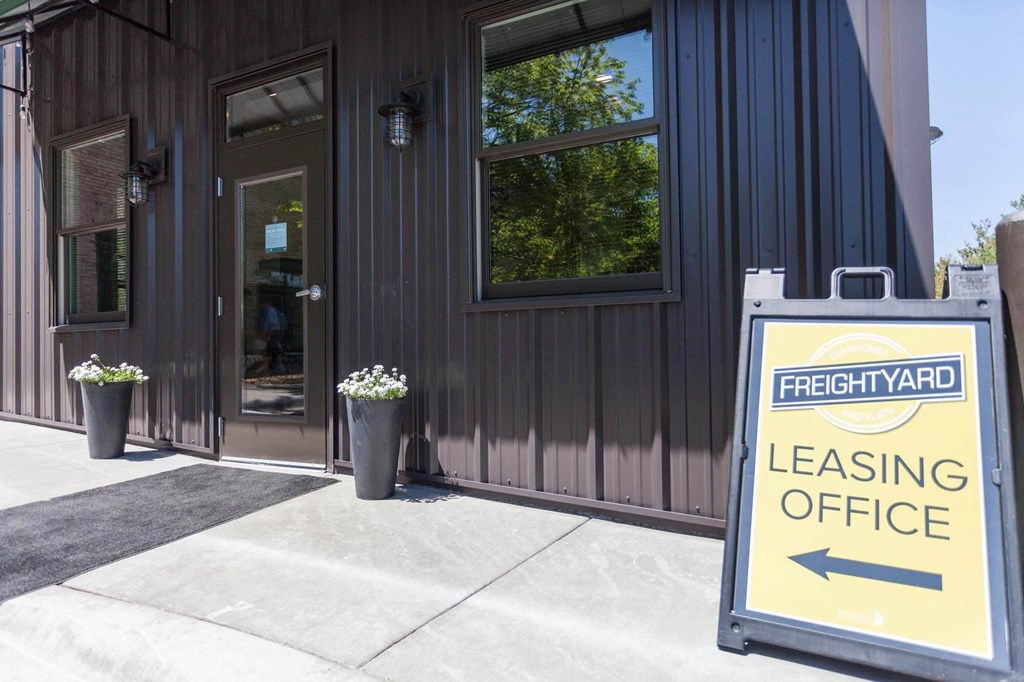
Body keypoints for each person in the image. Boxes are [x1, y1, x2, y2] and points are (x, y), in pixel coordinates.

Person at [258, 301, 287, 374]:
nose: (261, 307)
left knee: (273, 350)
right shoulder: (270, 311)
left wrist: (268, 337)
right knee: (273, 350)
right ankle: (274, 367)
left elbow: (272, 326)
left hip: (273, 334)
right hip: (272, 333)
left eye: (262, 304)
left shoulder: (270, 311)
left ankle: (278, 367)